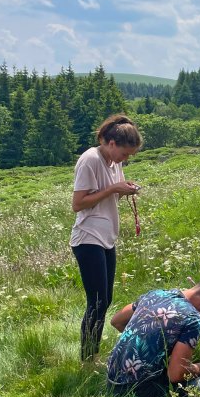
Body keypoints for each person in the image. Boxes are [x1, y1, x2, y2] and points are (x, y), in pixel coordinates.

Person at [70, 114, 143, 361]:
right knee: (98, 301)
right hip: (88, 237)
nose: (126, 159)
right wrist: (113, 188)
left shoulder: (114, 162)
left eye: (129, 155)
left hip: (106, 237)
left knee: (105, 299)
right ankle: (88, 358)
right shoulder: (90, 160)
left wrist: (124, 189)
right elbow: (78, 204)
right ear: (111, 143)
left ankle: (91, 354)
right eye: (124, 153)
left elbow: (109, 195)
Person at [107, 279, 200, 397]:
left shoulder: (156, 294)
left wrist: (143, 339)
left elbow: (116, 321)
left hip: (112, 384)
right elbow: (175, 375)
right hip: (139, 395)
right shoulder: (193, 318)